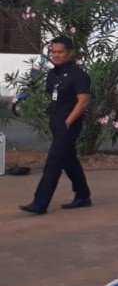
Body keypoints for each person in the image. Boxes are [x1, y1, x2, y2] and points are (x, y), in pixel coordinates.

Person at [19, 36, 92, 215]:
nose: (56, 55)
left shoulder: (79, 75)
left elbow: (83, 101)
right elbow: (52, 96)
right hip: (56, 123)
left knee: (53, 162)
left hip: (69, 125)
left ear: (70, 53)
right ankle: (83, 195)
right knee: (69, 160)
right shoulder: (53, 74)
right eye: (53, 52)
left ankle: (40, 203)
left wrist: (68, 121)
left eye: (60, 52)